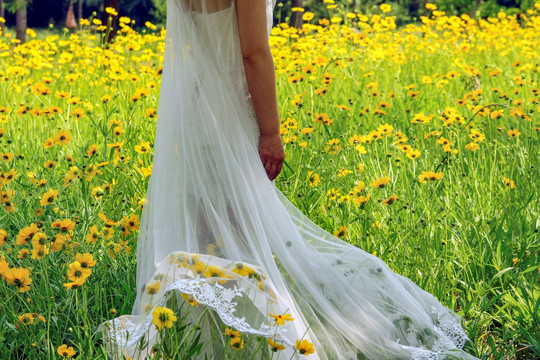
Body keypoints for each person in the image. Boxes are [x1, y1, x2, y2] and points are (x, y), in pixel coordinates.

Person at [97, 0, 481, 359]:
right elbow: (252, 53)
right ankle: (261, 334)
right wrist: (271, 131)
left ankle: (210, 334)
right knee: (245, 234)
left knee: (207, 232)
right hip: (231, 113)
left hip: (198, 114)